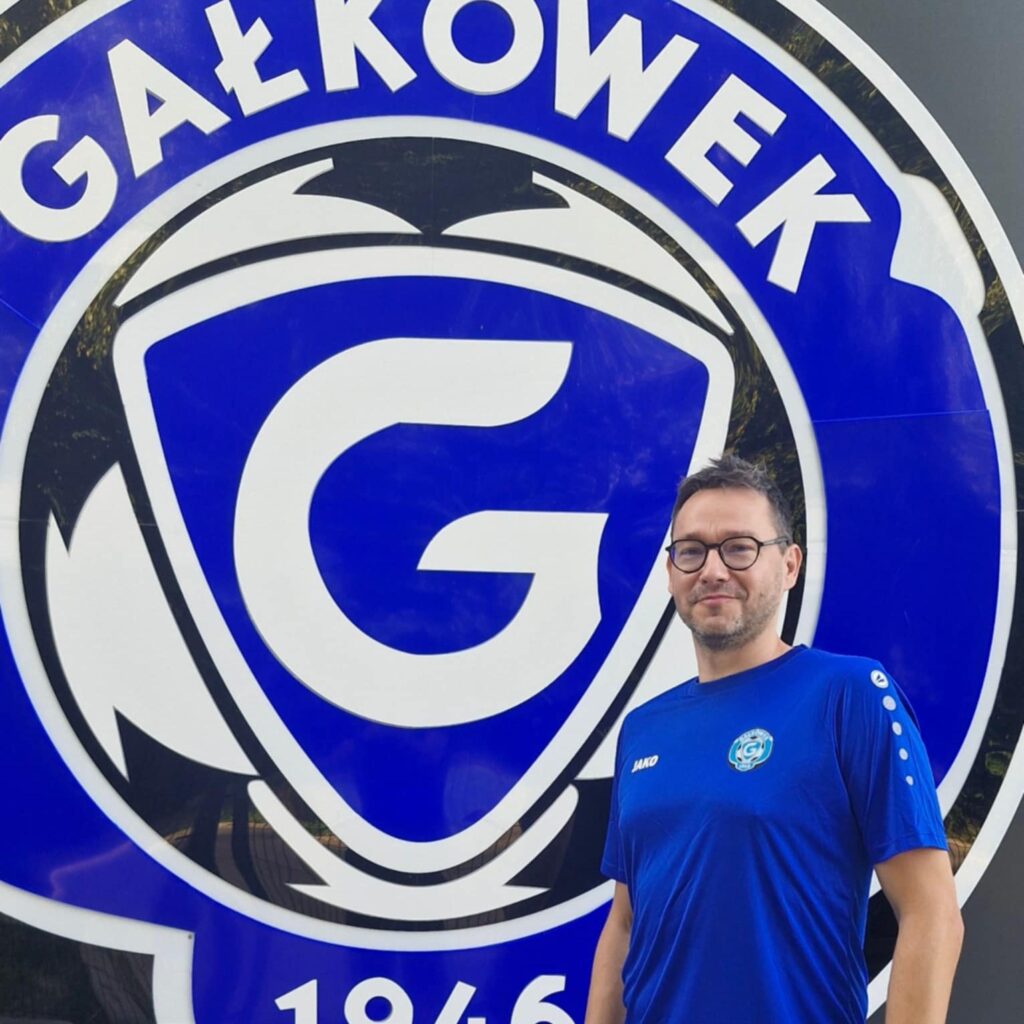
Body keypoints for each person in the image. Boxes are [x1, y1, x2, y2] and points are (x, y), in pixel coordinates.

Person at [585, 455, 963, 1024]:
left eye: (739, 547)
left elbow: (930, 912)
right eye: (691, 550)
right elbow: (624, 923)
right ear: (670, 571)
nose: (713, 570)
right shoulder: (643, 728)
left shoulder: (849, 694)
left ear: (789, 565)